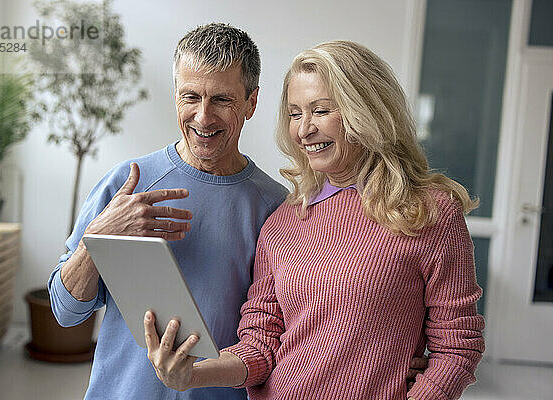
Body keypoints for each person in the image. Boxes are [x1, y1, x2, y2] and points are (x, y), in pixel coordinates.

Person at [144, 40, 485, 400]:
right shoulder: (283, 221)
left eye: (320, 111)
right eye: (295, 113)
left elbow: (458, 349)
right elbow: (259, 344)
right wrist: (192, 374)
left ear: (365, 111)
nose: (304, 129)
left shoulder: (429, 212)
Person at [48, 23, 288, 400]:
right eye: (190, 96)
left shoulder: (275, 206)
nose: (203, 117)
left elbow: (284, 335)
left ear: (251, 102)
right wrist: (99, 236)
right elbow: (65, 313)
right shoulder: (127, 183)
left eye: (222, 100)